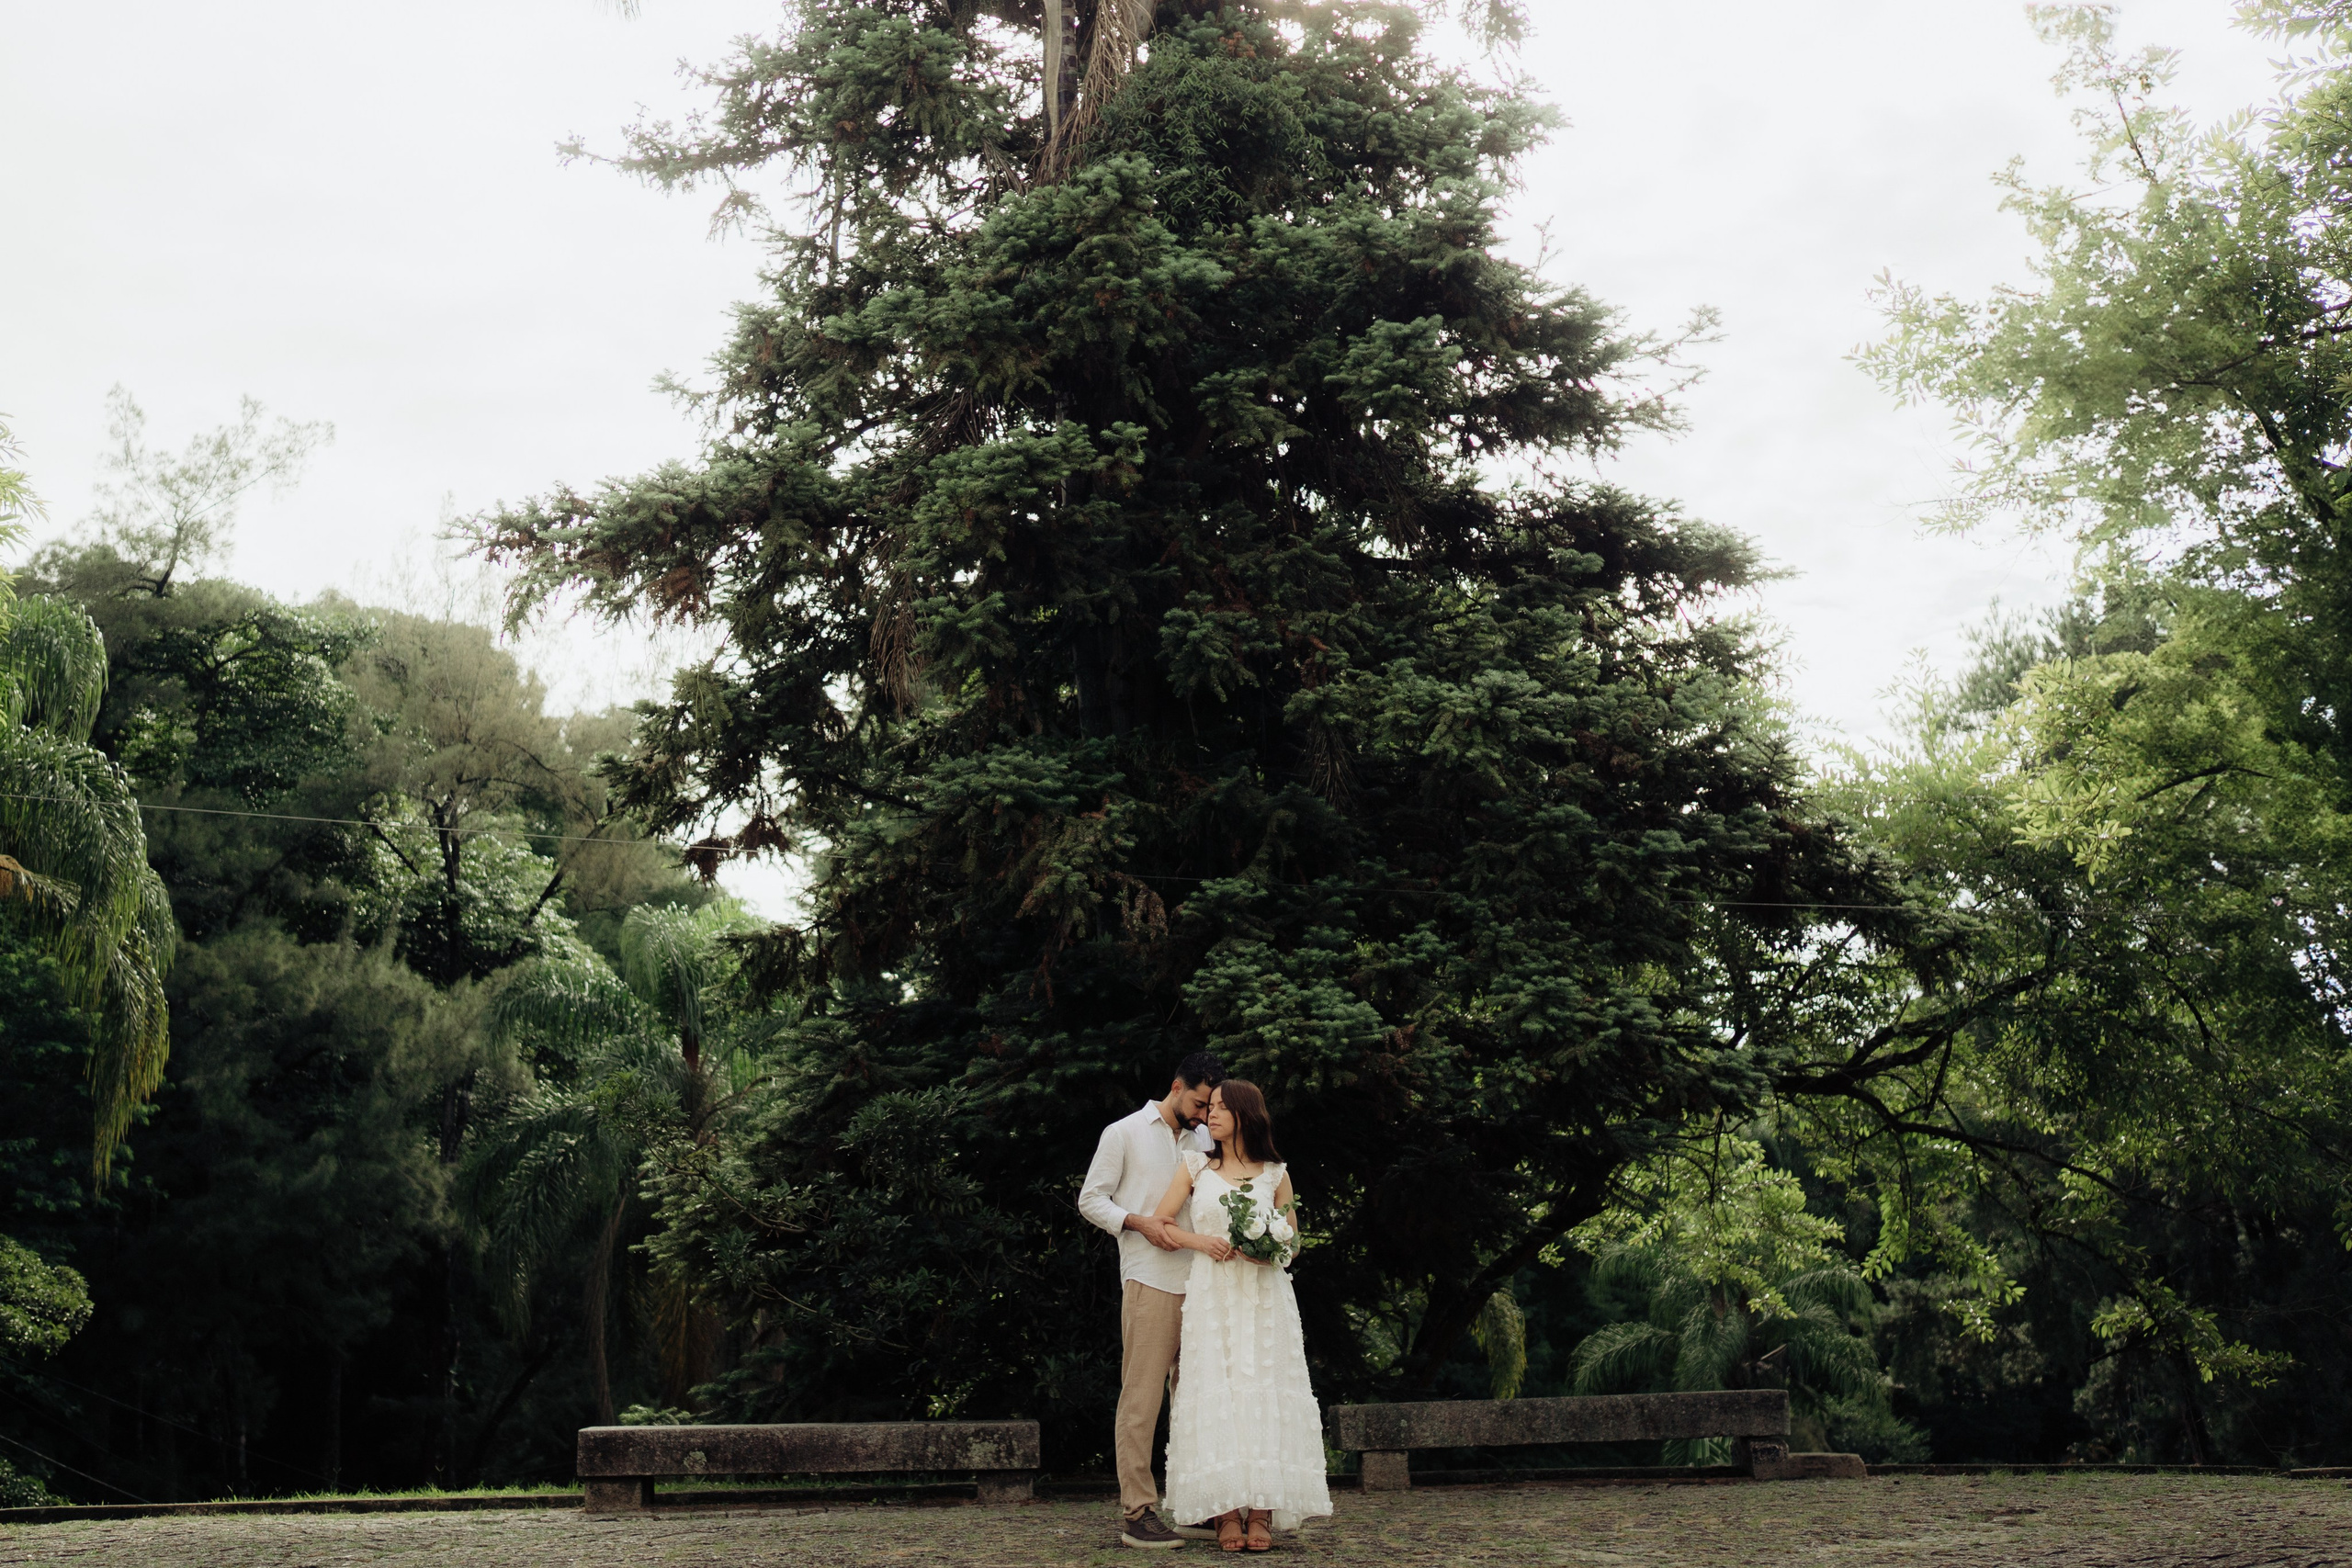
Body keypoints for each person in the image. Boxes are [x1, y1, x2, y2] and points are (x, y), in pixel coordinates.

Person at [1148, 1079, 1331, 1553]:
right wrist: (1201, 1242)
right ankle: (1226, 1512)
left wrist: (1268, 1250)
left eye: (1221, 1108)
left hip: (1265, 1299)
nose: (1210, 1114)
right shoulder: (1195, 1166)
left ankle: (1262, 1512)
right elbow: (1161, 1223)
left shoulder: (1275, 1173)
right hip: (1213, 1296)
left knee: (1264, 1391)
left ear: (1245, 1114)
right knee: (1219, 1391)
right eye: (1209, 1106)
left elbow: (1294, 1240)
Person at [1078, 1052, 1227, 1551]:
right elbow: (1090, 1200)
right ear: (1177, 1086)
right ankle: (1137, 1512)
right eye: (1200, 1103)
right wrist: (1138, 1223)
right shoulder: (1122, 1133)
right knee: (1142, 1400)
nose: (1204, 1114)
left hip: (1203, 1283)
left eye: (1211, 1107)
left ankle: (1194, 1505)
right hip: (1150, 1280)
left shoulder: (1205, 1140)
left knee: (1197, 1400)